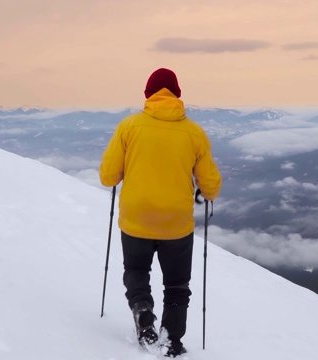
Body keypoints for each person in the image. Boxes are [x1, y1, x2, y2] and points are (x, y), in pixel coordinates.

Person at [99, 68, 221, 357]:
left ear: (148, 94)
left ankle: (142, 309)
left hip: (136, 219)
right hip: (176, 224)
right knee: (177, 286)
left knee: (137, 271)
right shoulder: (193, 133)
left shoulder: (129, 127)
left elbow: (108, 176)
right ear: (177, 94)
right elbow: (211, 185)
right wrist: (207, 192)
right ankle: (172, 343)